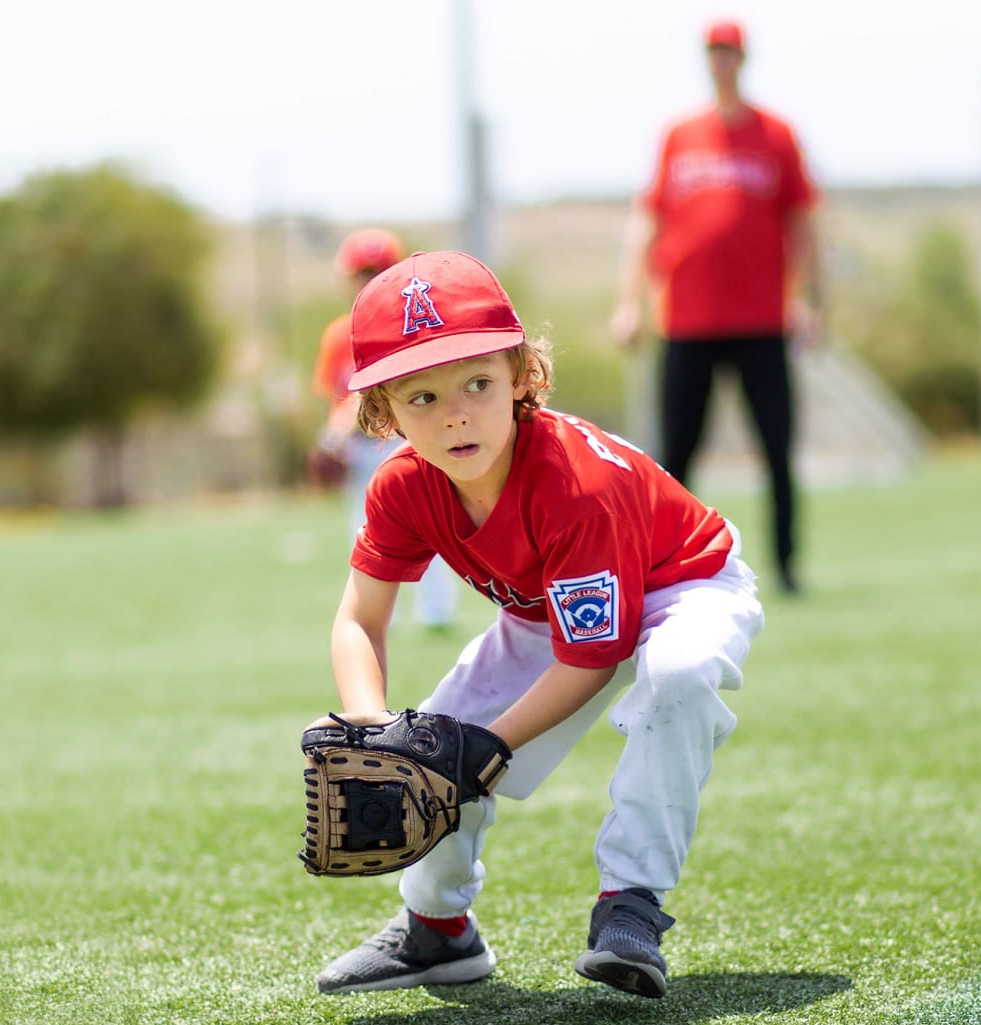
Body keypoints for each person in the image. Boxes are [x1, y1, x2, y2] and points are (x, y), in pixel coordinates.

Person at [313, 250, 764, 1000]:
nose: (455, 412)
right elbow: (360, 617)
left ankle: (631, 901)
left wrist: (486, 748)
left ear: (523, 374)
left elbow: (596, 655)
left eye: (478, 382)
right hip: (546, 608)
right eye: (420, 397)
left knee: (676, 678)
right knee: (431, 737)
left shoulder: (573, 485)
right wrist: (372, 725)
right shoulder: (403, 486)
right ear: (382, 412)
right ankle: (437, 929)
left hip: (679, 584)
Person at [608, 17, 824, 595]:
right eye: (713, 52)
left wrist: (808, 299)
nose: (721, 60)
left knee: (777, 447)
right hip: (689, 321)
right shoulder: (679, 135)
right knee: (676, 454)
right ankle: (662, 566)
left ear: (742, 58)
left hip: (760, 320)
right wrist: (629, 303)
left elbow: (803, 223)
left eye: (729, 51)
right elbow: (647, 221)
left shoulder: (776, 134)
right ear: (706, 60)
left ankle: (786, 565)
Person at [309, 228, 458, 629]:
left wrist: (333, 433)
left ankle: (435, 612)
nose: (369, 280)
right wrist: (335, 440)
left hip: (407, 437)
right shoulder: (341, 335)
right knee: (364, 530)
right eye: (363, 272)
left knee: (430, 525)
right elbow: (337, 396)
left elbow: (372, 392)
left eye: (379, 271)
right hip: (360, 449)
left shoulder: (408, 324)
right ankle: (373, 613)